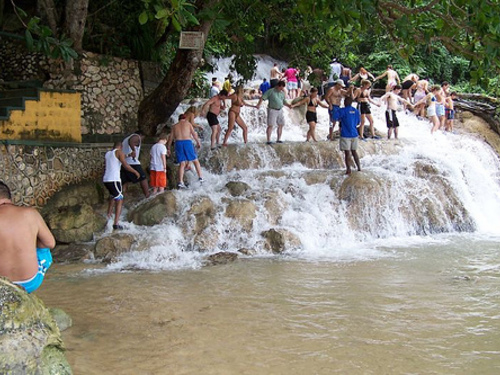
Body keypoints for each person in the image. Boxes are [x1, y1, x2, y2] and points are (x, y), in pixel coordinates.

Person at [0, 181, 56, 293]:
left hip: (2, 285)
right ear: (9, 197)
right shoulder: (30, 213)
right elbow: (50, 243)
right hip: (30, 282)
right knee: (44, 248)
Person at [104, 142, 141, 229]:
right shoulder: (119, 152)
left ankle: (108, 216)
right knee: (120, 199)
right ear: (121, 147)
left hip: (106, 179)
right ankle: (116, 223)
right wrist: (135, 172)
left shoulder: (108, 154)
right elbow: (125, 165)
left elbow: (119, 157)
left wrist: (128, 154)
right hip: (114, 180)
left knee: (113, 196)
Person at [167, 114, 204, 189]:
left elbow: (170, 138)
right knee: (195, 160)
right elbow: (194, 134)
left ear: (179, 119)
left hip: (178, 143)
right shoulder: (188, 124)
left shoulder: (174, 126)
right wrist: (198, 142)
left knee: (182, 163)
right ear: (185, 119)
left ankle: (180, 181)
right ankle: (200, 177)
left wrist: (168, 148)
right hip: (187, 142)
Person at [121, 130, 150, 198]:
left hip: (124, 162)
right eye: (143, 138)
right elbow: (131, 141)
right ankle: (147, 195)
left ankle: (122, 196)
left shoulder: (125, 139)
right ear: (141, 135)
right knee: (143, 178)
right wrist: (133, 150)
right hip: (132, 162)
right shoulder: (136, 136)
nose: (141, 140)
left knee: (125, 181)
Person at [338, 97, 361, 175]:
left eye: (344, 101)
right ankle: (359, 168)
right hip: (354, 134)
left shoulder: (342, 110)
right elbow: (358, 123)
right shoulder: (356, 111)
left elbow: (335, 117)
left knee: (347, 153)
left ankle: (348, 169)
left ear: (345, 102)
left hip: (345, 134)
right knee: (354, 152)